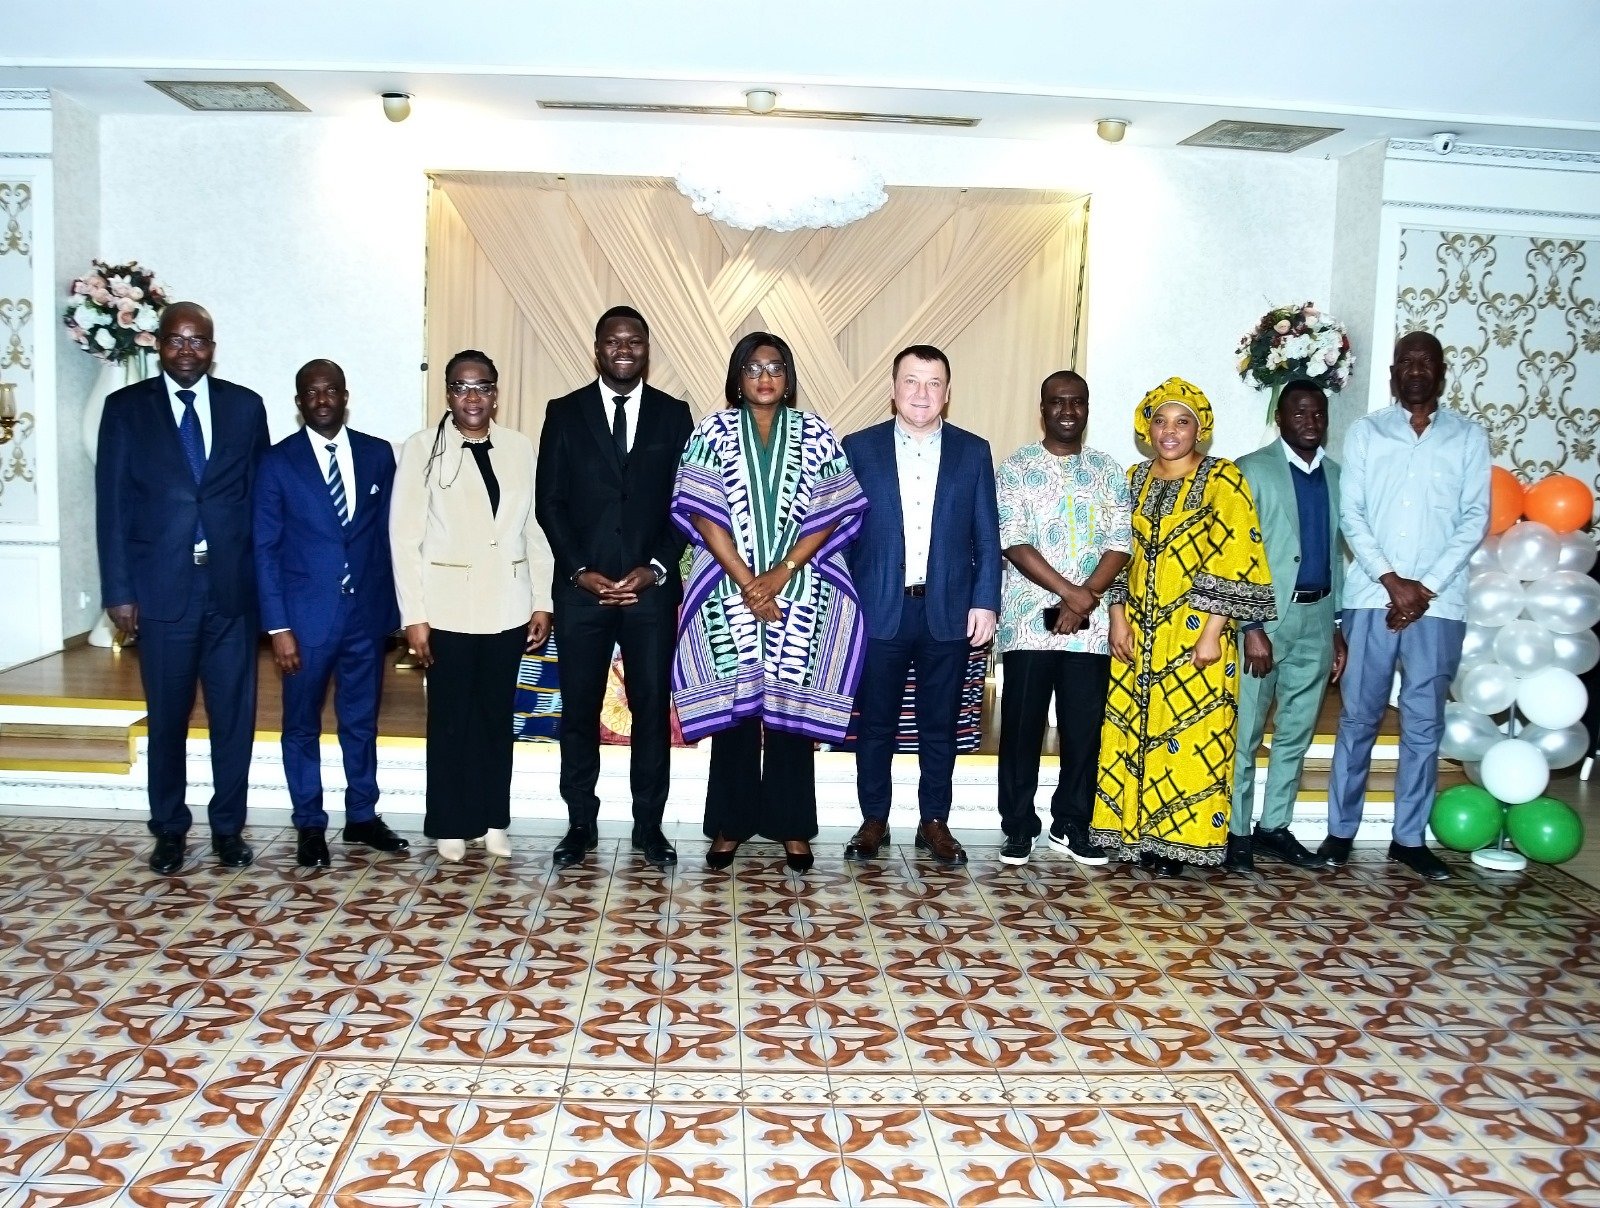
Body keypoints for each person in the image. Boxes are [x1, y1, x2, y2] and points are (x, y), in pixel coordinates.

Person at [672, 332, 868, 872]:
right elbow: (701, 512)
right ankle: (730, 824)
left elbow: (835, 509)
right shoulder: (711, 431)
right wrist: (747, 580)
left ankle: (792, 826)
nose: (765, 377)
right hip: (726, 588)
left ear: (788, 378)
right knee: (735, 712)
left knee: (791, 713)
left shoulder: (816, 432)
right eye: (754, 368)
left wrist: (781, 572)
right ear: (738, 378)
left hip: (800, 588)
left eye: (775, 368)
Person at [95, 301, 270, 875]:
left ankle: (228, 829)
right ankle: (169, 829)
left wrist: (267, 590)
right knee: (167, 716)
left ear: (212, 349)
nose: (187, 350)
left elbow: (260, 501)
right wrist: (119, 591)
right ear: (159, 345)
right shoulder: (126, 409)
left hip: (231, 591)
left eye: (198, 341)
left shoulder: (245, 407)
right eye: (176, 339)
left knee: (233, 718)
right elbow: (112, 504)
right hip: (162, 590)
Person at [1091, 378, 1275, 877]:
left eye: (1182, 422)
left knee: (1191, 738)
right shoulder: (1132, 479)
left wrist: (1214, 631)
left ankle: (1178, 845)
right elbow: (1116, 553)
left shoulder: (1222, 479)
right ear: (1146, 427)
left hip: (1196, 635)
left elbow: (1237, 554)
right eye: (1160, 421)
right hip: (1137, 633)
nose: (1169, 432)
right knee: (1134, 733)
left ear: (1200, 428)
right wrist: (1116, 616)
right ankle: (1136, 837)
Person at [1323, 332, 1490, 881]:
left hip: (1439, 607)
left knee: (1423, 723)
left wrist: (1425, 589)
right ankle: (1340, 831)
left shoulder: (1469, 437)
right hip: (1373, 598)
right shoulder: (1367, 432)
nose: (1416, 370)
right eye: (1406, 362)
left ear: (1441, 372)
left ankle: (1409, 839)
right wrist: (1394, 583)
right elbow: (1352, 514)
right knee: (1358, 718)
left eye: (1427, 362)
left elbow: (1475, 517)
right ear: (1394, 373)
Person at [536, 306, 695, 870]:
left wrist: (654, 567)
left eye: (634, 341)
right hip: (582, 593)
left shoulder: (674, 415)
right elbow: (549, 502)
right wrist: (580, 570)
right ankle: (580, 822)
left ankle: (649, 825)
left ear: (646, 349)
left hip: (650, 594)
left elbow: (686, 504)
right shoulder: (563, 412)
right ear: (597, 348)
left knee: (651, 710)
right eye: (613, 340)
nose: (623, 349)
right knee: (578, 710)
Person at [390, 350, 554, 861]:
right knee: (450, 721)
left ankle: (492, 819)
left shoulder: (520, 447)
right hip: (447, 611)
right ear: (448, 395)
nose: (472, 397)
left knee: (494, 720)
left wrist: (542, 600)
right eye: (462, 388)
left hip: (508, 606)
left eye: (482, 386)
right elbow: (404, 538)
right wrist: (414, 616)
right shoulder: (422, 449)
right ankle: (450, 823)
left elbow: (535, 530)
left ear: (495, 394)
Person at [842, 345, 1001, 867]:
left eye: (934, 383)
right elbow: (839, 535)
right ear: (893, 389)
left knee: (940, 724)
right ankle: (874, 819)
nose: (921, 393)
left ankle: (934, 820)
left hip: (948, 611)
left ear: (947, 393)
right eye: (911, 381)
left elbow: (987, 535)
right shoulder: (858, 448)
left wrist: (985, 601)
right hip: (878, 608)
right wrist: (843, 604)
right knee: (876, 724)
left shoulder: (972, 452)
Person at [253, 359, 409, 869]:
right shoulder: (277, 462)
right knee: (301, 724)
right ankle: (309, 823)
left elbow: (389, 536)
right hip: (304, 623)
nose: (322, 399)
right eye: (311, 392)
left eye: (331, 390)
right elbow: (265, 549)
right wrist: (278, 627)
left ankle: (362, 815)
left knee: (361, 721)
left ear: (345, 396)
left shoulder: (377, 454)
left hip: (366, 618)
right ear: (299, 402)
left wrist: (396, 611)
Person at [994, 371, 1131, 866]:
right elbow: (1012, 540)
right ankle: (1018, 826)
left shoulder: (1108, 470)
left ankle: (1071, 823)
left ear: (1087, 408)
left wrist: (1082, 600)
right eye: (1057, 402)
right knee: (1021, 730)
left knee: (1083, 731)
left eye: (1077, 402)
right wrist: (1070, 593)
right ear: (1043, 408)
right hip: (1028, 621)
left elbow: (1120, 543)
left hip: (1089, 632)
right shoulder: (1016, 467)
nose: (1067, 411)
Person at [1226, 379, 1346, 874]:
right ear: (1280, 418)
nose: (1310, 422)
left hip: (1317, 619)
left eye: (1318, 414)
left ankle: (1274, 827)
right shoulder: (1251, 470)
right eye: (1299, 413)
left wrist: (1336, 625)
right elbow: (1235, 552)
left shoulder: (1337, 476)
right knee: (1246, 732)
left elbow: (1336, 553)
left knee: (1296, 732)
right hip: (1265, 624)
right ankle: (1235, 833)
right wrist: (1251, 624)